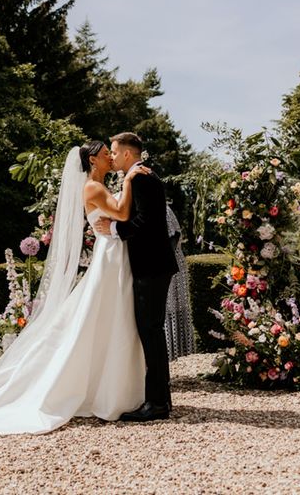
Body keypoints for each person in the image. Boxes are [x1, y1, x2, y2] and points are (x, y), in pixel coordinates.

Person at [0, 142, 149, 435]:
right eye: (105, 155)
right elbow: (122, 213)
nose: (110, 159)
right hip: (109, 258)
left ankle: (113, 387)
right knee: (102, 317)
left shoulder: (99, 184)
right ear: (93, 159)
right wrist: (129, 179)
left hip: (115, 256)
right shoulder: (92, 187)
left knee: (111, 319)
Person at [95, 133, 178, 422]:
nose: (112, 157)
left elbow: (145, 223)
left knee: (150, 332)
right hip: (153, 266)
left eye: (115, 152)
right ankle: (161, 399)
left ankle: (156, 404)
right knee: (152, 332)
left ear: (128, 154)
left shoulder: (141, 178)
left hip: (151, 267)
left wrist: (114, 230)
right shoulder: (143, 176)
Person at [165, 205, 195, 361]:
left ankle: (177, 353)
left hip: (171, 265)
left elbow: (174, 236)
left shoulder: (164, 209)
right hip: (168, 265)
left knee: (174, 307)